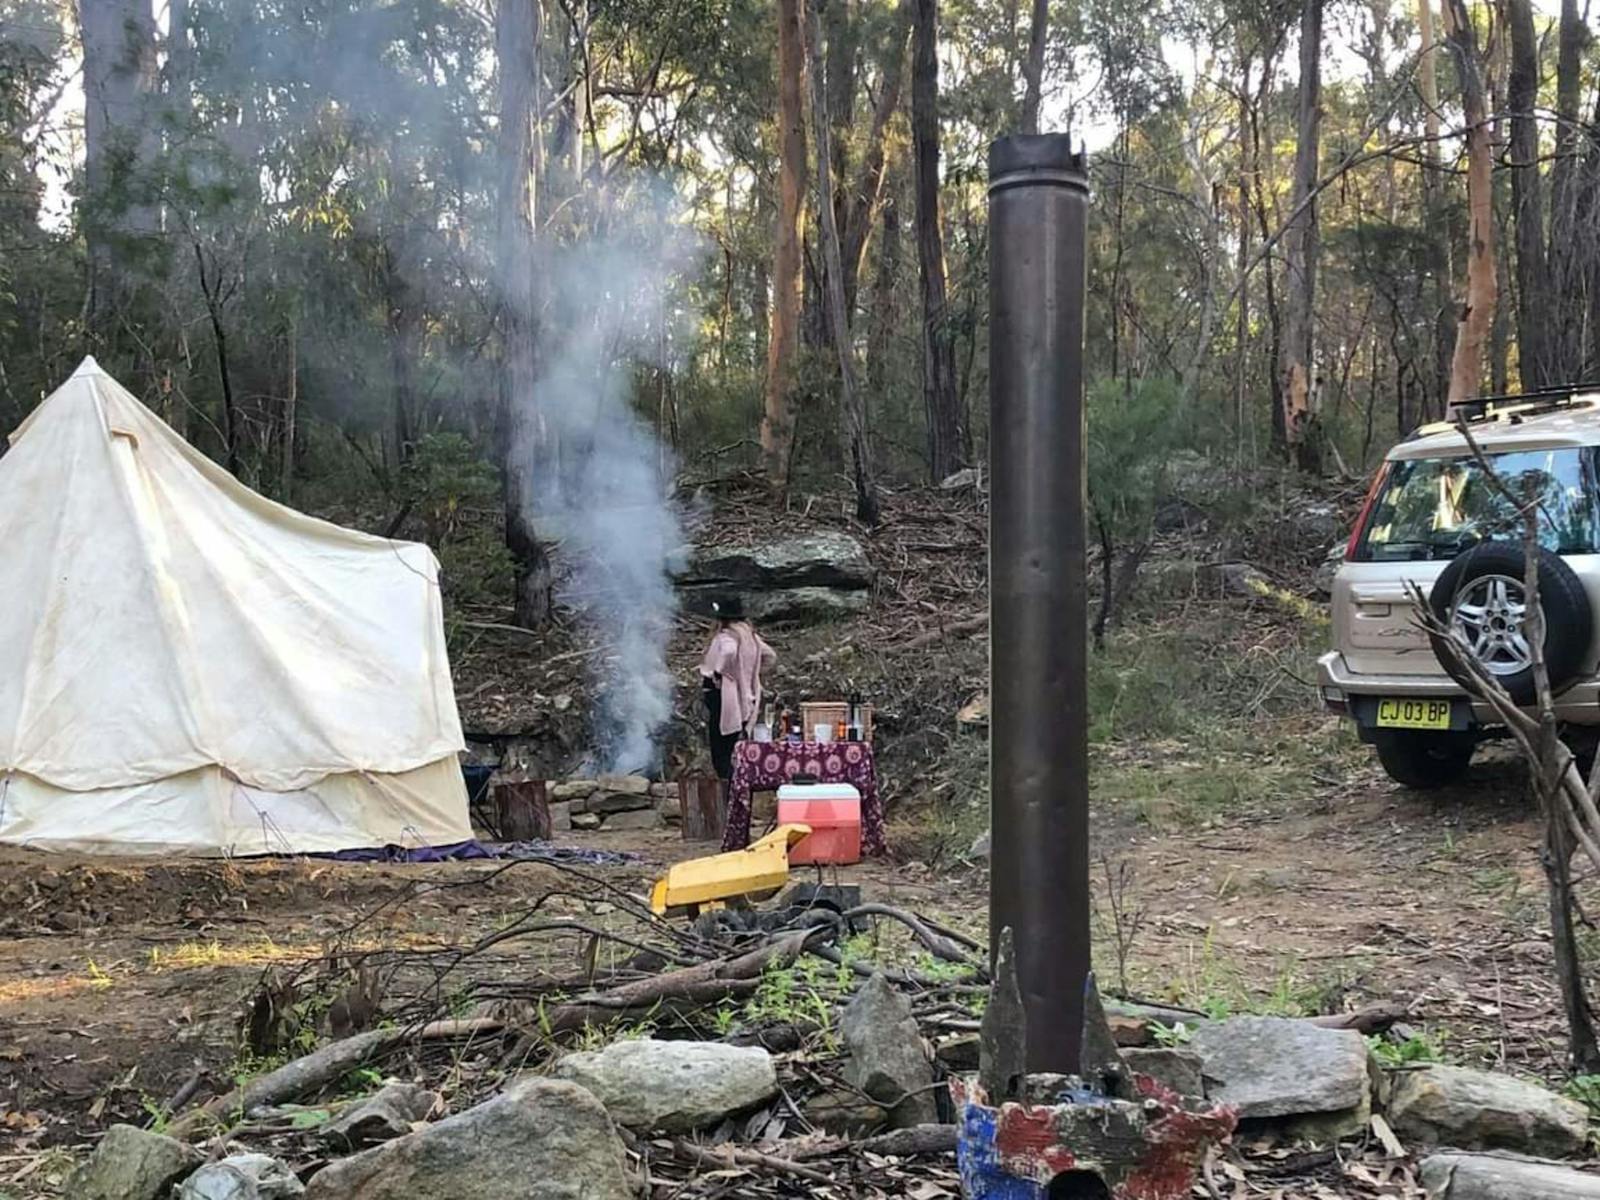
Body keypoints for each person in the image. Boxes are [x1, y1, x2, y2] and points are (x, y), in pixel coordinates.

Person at [698, 595, 776, 785]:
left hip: (724, 697)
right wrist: (751, 675)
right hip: (744, 696)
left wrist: (720, 672)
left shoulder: (728, 636)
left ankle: (728, 792)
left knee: (721, 748)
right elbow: (770, 656)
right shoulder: (751, 637)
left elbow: (728, 653)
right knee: (733, 745)